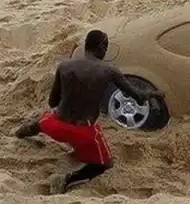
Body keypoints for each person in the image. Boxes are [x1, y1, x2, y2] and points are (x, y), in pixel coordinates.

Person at [14, 29, 164, 194]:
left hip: (56, 126)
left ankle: (19, 134)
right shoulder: (109, 71)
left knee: (39, 124)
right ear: (101, 47)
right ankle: (68, 179)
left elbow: (52, 102)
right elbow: (139, 97)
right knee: (105, 165)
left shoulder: (64, 66)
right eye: (106, 47)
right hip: (83, 132)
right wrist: (155, 94)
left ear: (86, 46)